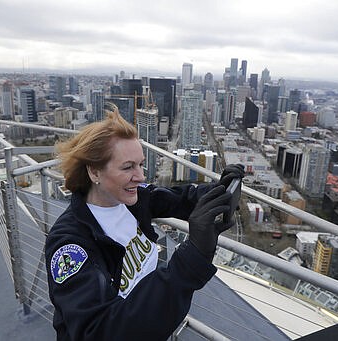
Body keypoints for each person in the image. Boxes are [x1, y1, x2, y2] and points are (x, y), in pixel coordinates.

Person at [45, 104, 245, 340]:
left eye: (140, 164)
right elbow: (100, 331)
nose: (140, 176)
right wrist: (191, 257)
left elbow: (179, 199)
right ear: (94, 173)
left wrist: (220, 190)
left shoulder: (132, 199)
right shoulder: (70, 245)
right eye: (128, 167)